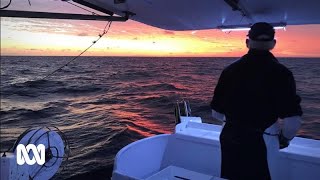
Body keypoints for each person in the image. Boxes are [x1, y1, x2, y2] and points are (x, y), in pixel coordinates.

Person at [210, 22, 303, 180]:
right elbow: (292, 121)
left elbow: (216, 113)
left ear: (248, 42)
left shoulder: (229, 71)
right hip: (263, 140)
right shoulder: (282, 74)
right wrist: (284, 139)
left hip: (230, 136)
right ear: (273, 44)